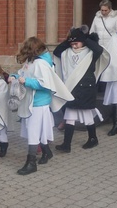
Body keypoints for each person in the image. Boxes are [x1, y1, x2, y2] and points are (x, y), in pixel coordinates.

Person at [9, 37, 73, 175]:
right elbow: (22, 74)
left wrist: (26, 81)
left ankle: (31, 162)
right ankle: (47, 152)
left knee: (33, 131)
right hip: (31, 101)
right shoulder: (31, 62)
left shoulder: (41, 64)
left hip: (38, 103)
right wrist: (14, 76)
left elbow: (44, 84)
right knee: (36, 130)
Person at [53, 27, 109, 152]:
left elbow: (99, 50)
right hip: (71, 88)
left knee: (87, 116)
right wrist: (69, 39)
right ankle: (67, 144)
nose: (74, 46)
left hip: (86, 89)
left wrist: (85, 39)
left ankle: (93, 138)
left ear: (83, 41)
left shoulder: (90, 53)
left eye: (77, 43)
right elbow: (57, 52)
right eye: (72, 43)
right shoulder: (67, 52)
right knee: (70, 116)